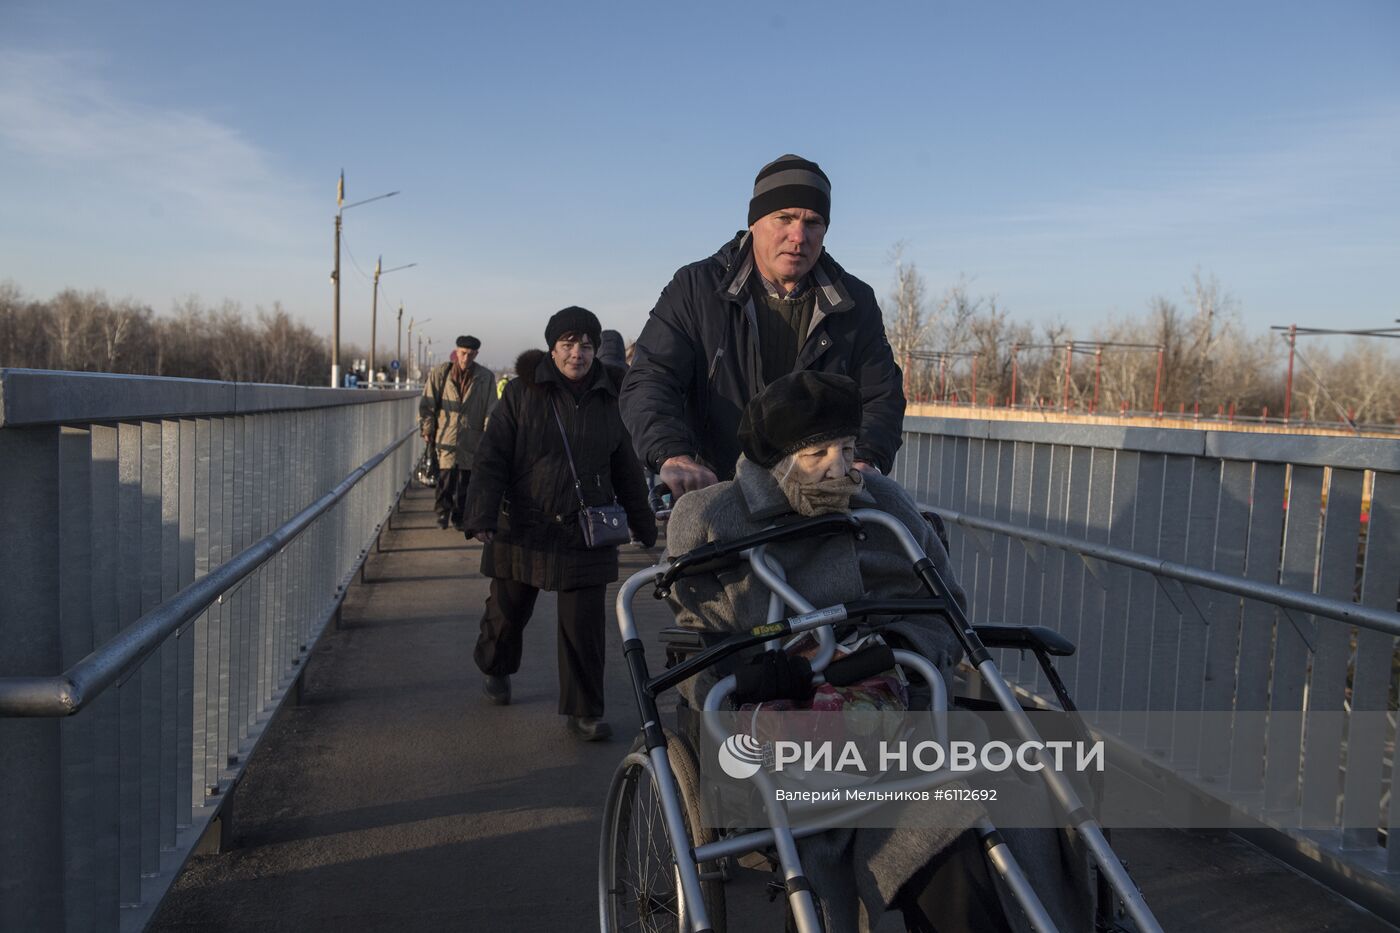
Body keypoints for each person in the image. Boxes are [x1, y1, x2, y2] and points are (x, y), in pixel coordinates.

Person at [664, 371, 1089, 932]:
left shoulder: (884, 502)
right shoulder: (709, 516)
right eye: (817, 453)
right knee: (934, 816)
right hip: (772, 713)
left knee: (1009, 781)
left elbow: (943, 606)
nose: (839, 467)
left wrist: (893, 649)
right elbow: (701, 624)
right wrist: (769, 663)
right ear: (775, 460)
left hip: (895, 696)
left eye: (846, 448)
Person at [621, 153, 906, 498]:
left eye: (812, 222)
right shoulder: (695, 290)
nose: (798, 236)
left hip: (822, 498)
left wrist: (864, 459)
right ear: (754, 222)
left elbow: (881, 396)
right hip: (720, 490)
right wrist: (672, 454)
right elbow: (652, 377)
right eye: (784, 218)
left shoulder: (855, 302)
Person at [463, 307, 657, 741]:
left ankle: (584, 711)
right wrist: (481, 513)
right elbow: (492, 456)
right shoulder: (520, 393)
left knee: (584, 630)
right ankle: (494, 666)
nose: (577, 354)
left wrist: (643, 523)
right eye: (568, 344)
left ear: (595, 350)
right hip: (522, 528)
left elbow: (625, 465)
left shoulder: (610, 397)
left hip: (584, 531)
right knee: (506, 613)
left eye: (586, 345)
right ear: (552, 349)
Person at [420, 335, 497, 530]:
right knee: (445, 478)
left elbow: (491, 408)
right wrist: (428, 428)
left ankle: (460, 516)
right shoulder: (441, 373)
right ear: (456, 351)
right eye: (463, 353)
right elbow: (427, 403)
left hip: (472, 437)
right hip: (446, 434)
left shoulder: (485, 377)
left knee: (466, 481)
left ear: (476, 354)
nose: (466, 358)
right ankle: (442, 513)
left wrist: (489, 435)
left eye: (471, 354)